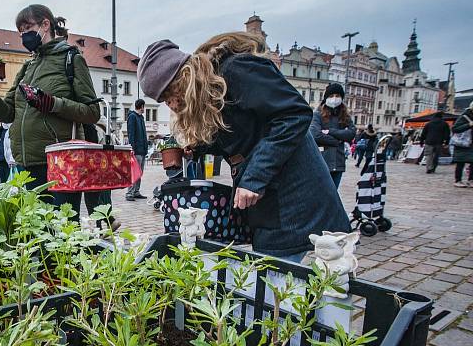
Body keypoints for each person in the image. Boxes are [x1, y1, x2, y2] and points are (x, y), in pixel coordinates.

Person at [137, 34, 350, 261]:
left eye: (170, 94)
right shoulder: (212, 88)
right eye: (165, 100)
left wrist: (254, 178)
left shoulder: (235, 69)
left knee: (278, 275)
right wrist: (200, 147)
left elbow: (294, 114)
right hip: (271, 196)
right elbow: (241, 134)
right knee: (273, 273)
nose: (171, 104)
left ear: (183, 77)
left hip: (293, 191)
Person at [0, 4, 101, 220]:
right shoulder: (27, 68)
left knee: (62, 231)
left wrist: (53, 103)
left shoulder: (71, 59)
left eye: (27, 27)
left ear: (45, 24)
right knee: (37, 232)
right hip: (27, 165)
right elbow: (8, 113)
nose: (24, 35)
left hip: (60, 162)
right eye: (20, 32)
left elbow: (92, 112)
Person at [309, 83, 355, 188]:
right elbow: (315, 135)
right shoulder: (317, 114)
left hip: (338, 162)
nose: (334, 98)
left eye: (337, 96)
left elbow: (351, 134)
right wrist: (337, 141)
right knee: (321, 195)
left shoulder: (344, 116)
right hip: (322, 161)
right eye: (331, 96)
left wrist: (330, 131)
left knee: (334, 196)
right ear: (326, 98)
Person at [126, 99, 149, 200]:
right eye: (144, 106)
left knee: (139, 173)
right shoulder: (132, 117)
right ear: (142, 106)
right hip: (136, 150)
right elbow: (131, 134)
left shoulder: (141, 118)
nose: (144, 108)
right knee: (134, 172)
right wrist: (132, 149)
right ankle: (130, 193)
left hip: (142, 150)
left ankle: (136, 191)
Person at [452, 101, 473, 187]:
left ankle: (471, 180)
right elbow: (455, 129)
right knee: (460, 162)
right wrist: (469, 125)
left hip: (471, 143)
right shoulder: (464, 117)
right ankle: (458, 180)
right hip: (462, 143)